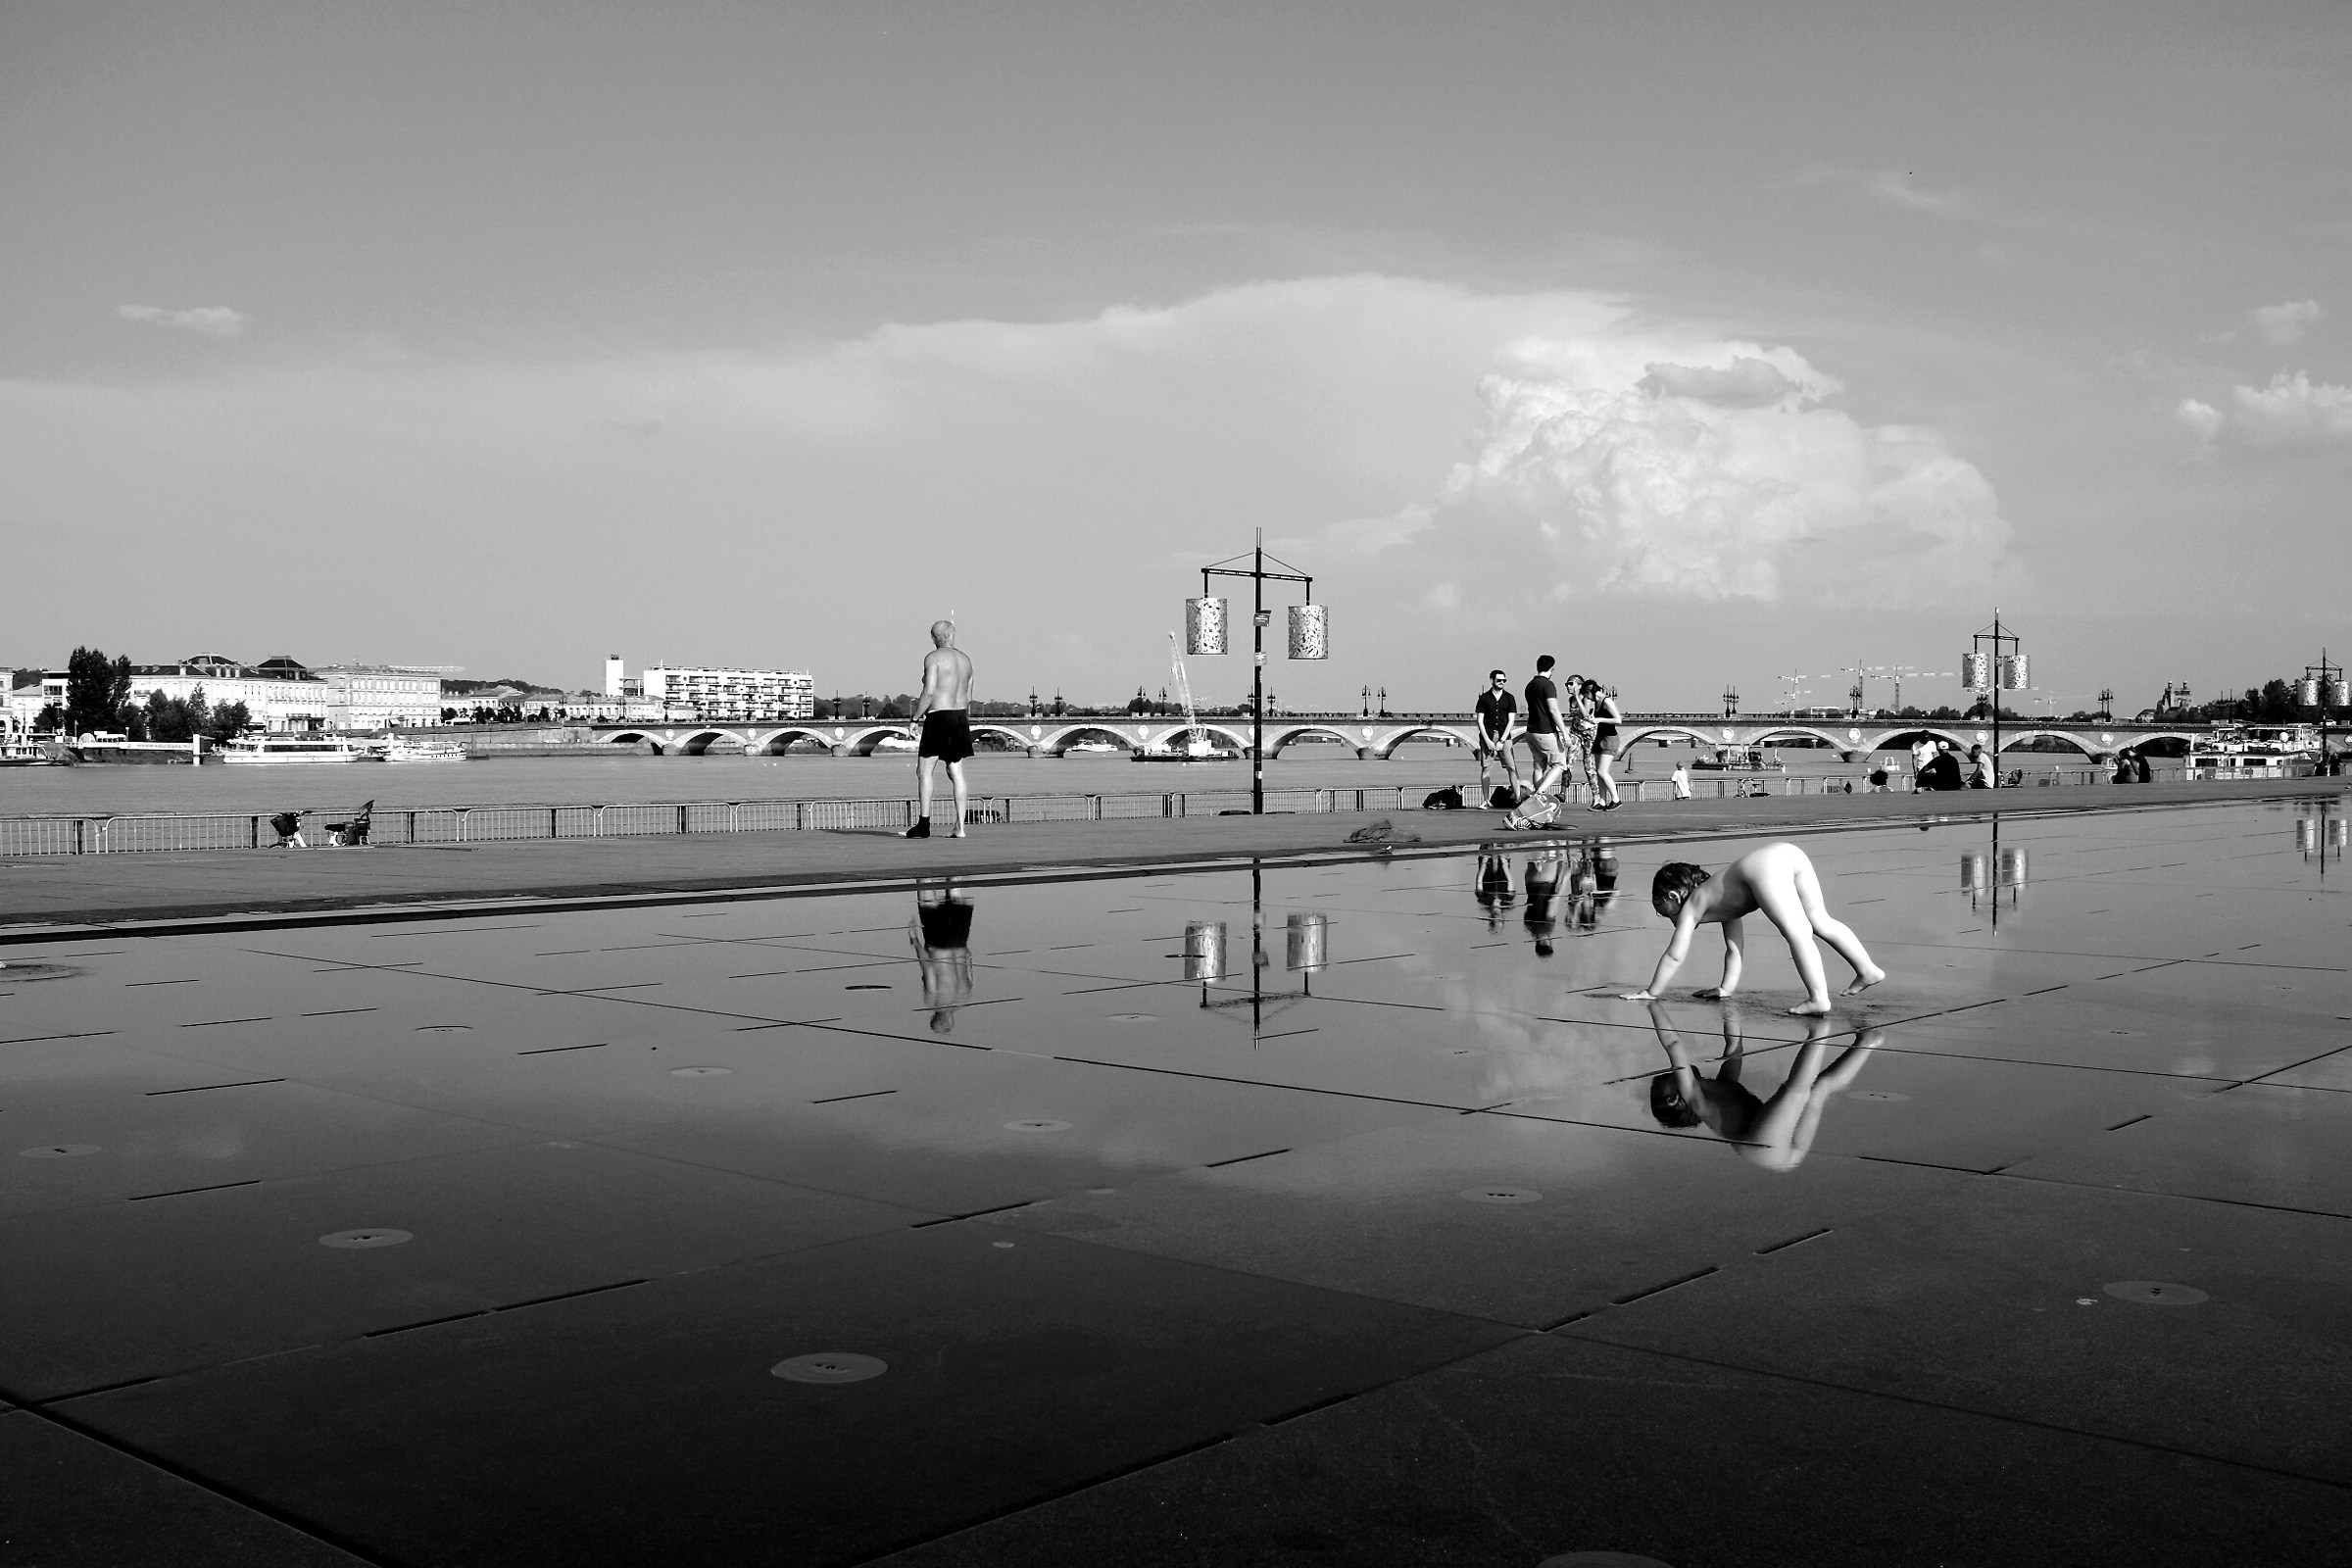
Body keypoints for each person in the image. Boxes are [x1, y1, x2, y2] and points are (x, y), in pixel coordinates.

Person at [1619, 841, 1886, 1015]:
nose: (1661, 915)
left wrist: (1651, 992)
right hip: (1789, 853)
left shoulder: (1693, 905)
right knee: (1819, 920)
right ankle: (1866, 969)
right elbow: (1735, 949)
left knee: (1797, 931)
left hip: (1764, 865)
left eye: (1659, 908)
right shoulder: (1722, 899)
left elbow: (1675, 955)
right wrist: (1726, 988)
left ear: (1674, 896)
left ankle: (1818, 998)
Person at [1644, 1004, 1885, 1171]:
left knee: (1816, 1091)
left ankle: (1867, 1042)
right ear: (1674, 1099)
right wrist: (1653, 1007)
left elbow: (1734, 1047)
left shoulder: (1719, 1086)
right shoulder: (1694, 1097)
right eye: (1667, 1077)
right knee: (1795, 1091)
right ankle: (1820, 1033)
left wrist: (1730, 1011)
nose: (1672, 1071)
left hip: (1781, 1154)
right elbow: (1674, 1044)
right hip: (1761, 1146)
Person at [904, 619, 975, 839]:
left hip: (938, 717)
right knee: (956, 772)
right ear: (953, 636)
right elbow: (969, 697)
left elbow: (929, 690)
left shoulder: (933, 658)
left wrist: (915, 718)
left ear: (934, 637)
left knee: (924, 770)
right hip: (960, 716)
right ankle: (960, 827)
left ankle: (923, 825)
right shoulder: (966, 661)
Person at [1509, 656, 1569, 827]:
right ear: (1552, 669)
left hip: (1531, 732)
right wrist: (1564, 733)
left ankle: (1538, 800)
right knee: (1560, 764)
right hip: (1546, 731)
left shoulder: (1529, 685)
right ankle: (1539, 793)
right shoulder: (1548, 685)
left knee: (1538, 766)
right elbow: (1553, 709)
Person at [908, 879, 975, 1033]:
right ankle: (925, 875)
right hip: (939, 945)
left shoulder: (965, 998)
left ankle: (955, 872)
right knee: (927, 901)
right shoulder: (934, 1001)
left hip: (960, 943)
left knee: (956, 899)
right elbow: (928, 968)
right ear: (937, 1018)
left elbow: (969, 961)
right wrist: (915, 941)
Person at [1471, 669, 1520, 805]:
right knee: (1486, 768)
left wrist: (1502, 740)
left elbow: (1511, 721)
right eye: (1499, 680)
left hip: (1505, 736)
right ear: (1492, 680)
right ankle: (1486, 800)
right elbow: (1480, 720)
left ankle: (1518, 798)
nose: (1502, 683)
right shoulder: (1484, 699)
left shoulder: (1510, 698)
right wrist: (1487, 740)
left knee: (1511, 767)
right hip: (1488, 735)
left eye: (1504, 680)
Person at [1586, 679, 1625, 809]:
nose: (1587, 698)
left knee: (1603, 772)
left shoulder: (1607, 701)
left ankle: (1616, 799)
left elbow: (1618, 720)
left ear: (1590, 691)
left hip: (1610, 739)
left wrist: (1599, 719)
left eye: (1586, 695)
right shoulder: (1596, 703)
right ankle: (1602, 801)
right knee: (1598, 772)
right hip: (1600, 738)